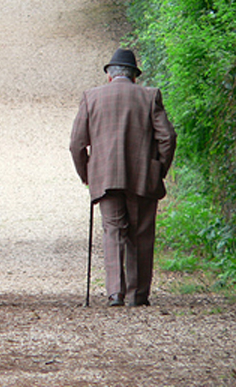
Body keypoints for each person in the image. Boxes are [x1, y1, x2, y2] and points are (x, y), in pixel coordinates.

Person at [69, 48, 177, 307]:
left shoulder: (91, 97)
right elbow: (168, 137)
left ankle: (115, 293)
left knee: (113, 232)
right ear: (134, 77)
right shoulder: (149, 96)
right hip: (142, 178)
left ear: (109, 76)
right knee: (140, 233)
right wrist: (158, 169)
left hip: (105, 178)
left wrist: (87, 174)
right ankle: (137, 295)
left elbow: (76, 144)